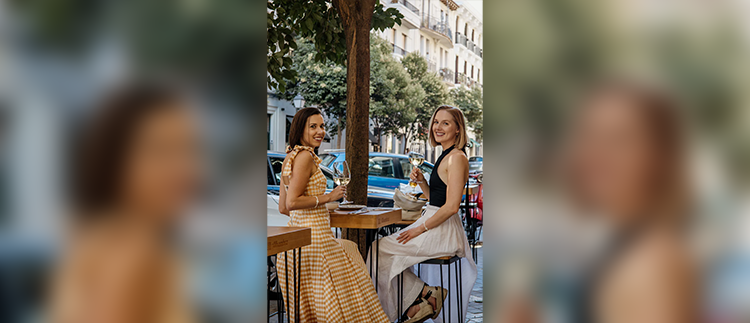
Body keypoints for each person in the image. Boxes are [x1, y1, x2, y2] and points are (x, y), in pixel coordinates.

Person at [49, 83, 201, 323]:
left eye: (187, 149)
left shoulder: (112, 236)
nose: (185, 169)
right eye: (160, 151)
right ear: (115, 160)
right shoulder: (132, 253)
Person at [560, 81, 699, 323]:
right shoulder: (632, 239)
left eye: (620, 139)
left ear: (659, 155)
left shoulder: (652, 267)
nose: (597, 152)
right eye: (589, 134)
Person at [276, 107, 389, 322]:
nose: (320, 131)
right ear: (300, 129)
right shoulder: (305, 157)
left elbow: (283, 208)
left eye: (322, 126)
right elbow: (292, 202)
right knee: (352, 256)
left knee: (349, 247)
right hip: (314, 240)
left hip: (296, 241)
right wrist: (329, 197)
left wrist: (321, 205)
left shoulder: (290, 156)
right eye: (313, 127)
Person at [371, 106, 478, 323]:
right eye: (436, 121)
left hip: (443, 229)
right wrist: (422, 182)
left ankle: (420, 298)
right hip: (434, 222)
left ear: (458, 129)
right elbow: (435, 199)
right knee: (379, 251)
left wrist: (420, 228)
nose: (438, 127)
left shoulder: (456, 157)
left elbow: (451, 207)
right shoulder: (446, 155)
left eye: (445, 123)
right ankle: (425, 295)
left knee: (377, 251)